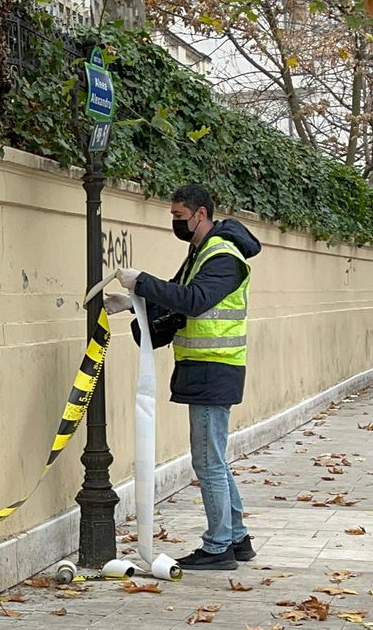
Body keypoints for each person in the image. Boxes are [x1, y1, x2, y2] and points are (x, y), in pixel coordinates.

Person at [98, 184, 262, 571]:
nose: (176, 224)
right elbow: (177, 295)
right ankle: (237, 539)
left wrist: (140, 282)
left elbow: (194, 300)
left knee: (207, 461)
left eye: (179, 217)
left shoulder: (223, 256)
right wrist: (135, 303)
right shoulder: (201, 251)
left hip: (214, 368)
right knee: (214, 459)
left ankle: (219, 546)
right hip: (204, 367)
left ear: (200, 214)